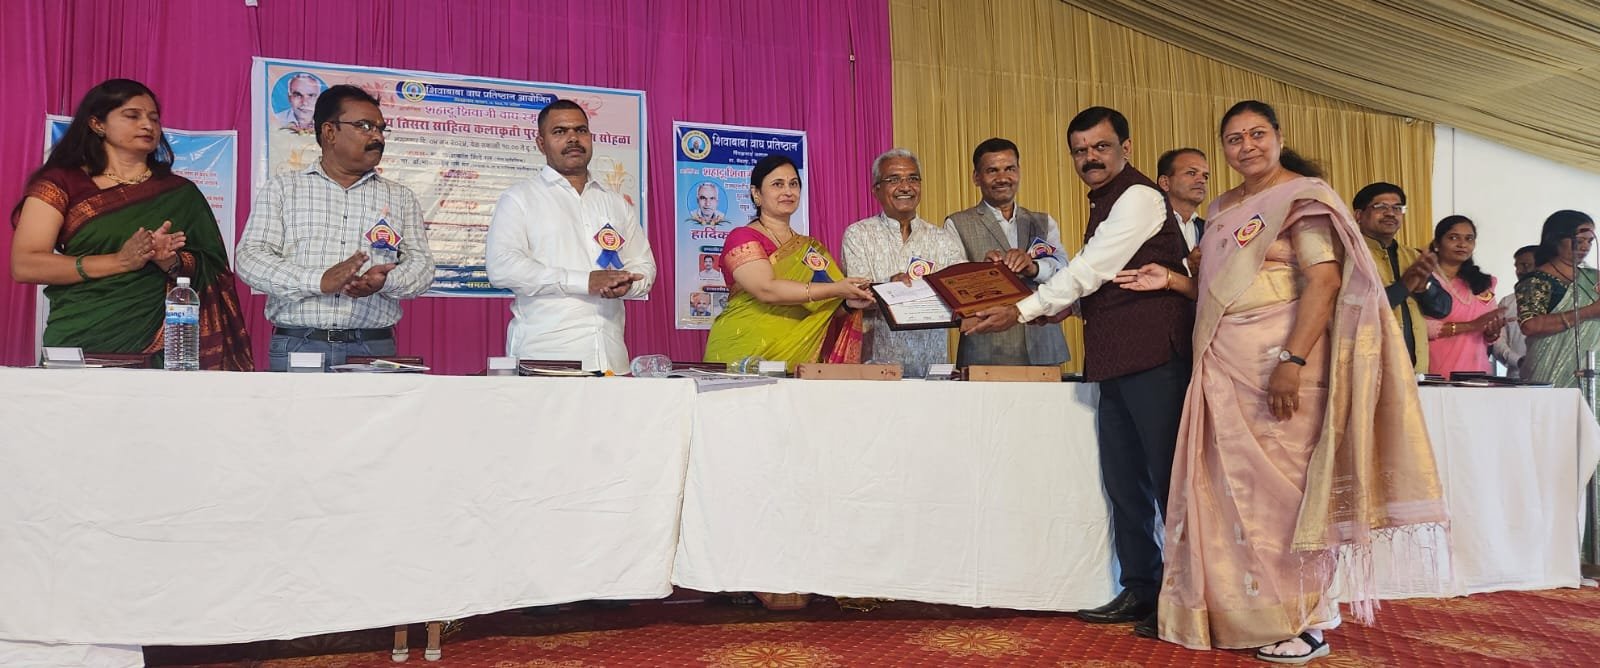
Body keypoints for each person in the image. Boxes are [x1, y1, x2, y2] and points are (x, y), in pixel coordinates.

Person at [1113, 100, 1445, 664]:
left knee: (1286, 498)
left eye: (1257, 134)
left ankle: (1309, 621)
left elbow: (1324, 282)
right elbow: (1217, 289)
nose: (1246, 146)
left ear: (1278, 136)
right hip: (1222, 365)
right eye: (1234, 138)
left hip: (1282, 366)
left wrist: (1292, 360)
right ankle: (1247, 616)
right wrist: (1170, 279)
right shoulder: (1223, 207)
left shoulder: (1302, 199)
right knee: (1229, 496)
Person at [962, 107, 1193, 628]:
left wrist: (1022, 310)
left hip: (1156, 359)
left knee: (1169, 485)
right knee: (1125, 485)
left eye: (1101, 147)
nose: (1090, 158)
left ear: (1126, 148)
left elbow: (1091, 269)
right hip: (1114, 362)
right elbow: (1101, 282)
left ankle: (1185, 601)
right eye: (1080, 151)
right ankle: (1142, 588)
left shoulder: (1138, 198)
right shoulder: (1105, 202)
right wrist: (1061, 309)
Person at [10, 78, 252, 370]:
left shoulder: (180, 193)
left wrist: (170, 261)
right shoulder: (62, 184)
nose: (147, 125)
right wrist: (120, 261)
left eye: (154, 118)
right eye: (132, 115)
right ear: (97, 124)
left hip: (164, 350)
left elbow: (213, 269)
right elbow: (25, 264)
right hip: (79, 339)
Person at [237, 85, 435, 371]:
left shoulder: (400, 197)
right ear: (329, 132)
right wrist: (318, 280)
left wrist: (385, 282)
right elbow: (250, 259)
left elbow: (422, 267)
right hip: (300, 344)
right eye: (365, 126)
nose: (377, 137)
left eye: (381, 129)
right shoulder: (283, 188)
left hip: (373, 347)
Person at [486, 99, 655, 372]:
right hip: (546, 359)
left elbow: (643, 265)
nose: (573, 138)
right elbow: (502, 267)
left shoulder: (615, 203)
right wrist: (583, 281)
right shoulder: (519, 199)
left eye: (581, 130)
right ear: (541, 144)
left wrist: (628, 285)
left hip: (611, 359)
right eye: (560, 131)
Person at [703, 154, 873, 371]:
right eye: (777, 184)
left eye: (793, 184)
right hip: (741, 352)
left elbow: (825, 306)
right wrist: (836, 289)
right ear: (756, 194)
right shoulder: (742, 237)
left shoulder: (810, 249)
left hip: (796, 356)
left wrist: (848, 304)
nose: (788, 191)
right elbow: (766, 289)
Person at [944, 138, 1071, 366]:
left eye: (1009, 169)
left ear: (1019, 172)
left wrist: (1034, 267)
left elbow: (1066, 274)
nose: (1002, 178)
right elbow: (952, 286)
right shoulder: (957, 223)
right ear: (976, 177)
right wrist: (983, 273)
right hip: (987, 351)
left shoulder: (1043, 221)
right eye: (992, 171)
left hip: (1043, 347)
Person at [840, 148, 966, 377]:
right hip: (876, 369)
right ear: (876, 190)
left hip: (933, 370)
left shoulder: (942, 239)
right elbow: (856, 295)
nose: (905, 187)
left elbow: (961, 292)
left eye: (913, 178)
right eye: (894, 179)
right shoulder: (858, 234)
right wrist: (890, 287)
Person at [1352, 182, 1452, 373]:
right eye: (1381, 207)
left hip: (1416, 371)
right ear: (1359, 215)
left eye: (1397, 208)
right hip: (1370, 369)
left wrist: (1423, 288)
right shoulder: (1350, 255)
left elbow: (1443, 308)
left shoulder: (1413, 256)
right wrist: (1405, 285)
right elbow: (1358, 310)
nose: (1391, 213)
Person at [1515, 211, 1599, 387]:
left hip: (1592, 371)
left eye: (1590, 241)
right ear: (1555, 239)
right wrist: (1588, 312)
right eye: (1579, 240)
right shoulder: (1537, 280)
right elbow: (1530, 325)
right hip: (1549, 372)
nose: (1586, 247)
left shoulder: (1593, 278)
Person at [1423, 216, 1503, 377]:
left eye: (1469, 239)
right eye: (1453, 238)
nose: (1462, 244)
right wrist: (1471, 326)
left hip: (1477, 372)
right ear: (1437, 244)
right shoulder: (1424, 280)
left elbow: (1488, 332)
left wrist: (1492, 332)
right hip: (1435, 372)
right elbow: (1417, 327)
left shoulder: (1482, 283)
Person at [1492, 245, 1539, 377]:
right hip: (1515, 377)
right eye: (1517, 266)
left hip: (1553, 377)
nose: (1519, 271)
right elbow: (1496, 340)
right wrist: (1517, 360)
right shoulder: (1507, 302)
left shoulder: (1559, 301)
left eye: (1525, 265)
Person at [1156, 147, 1210, 255]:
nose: (1202, 180)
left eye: (1205, 176)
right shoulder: (1151, 224)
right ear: (1165, 183)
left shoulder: (1209, 229)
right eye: (1192, 173)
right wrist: (1187, 263)